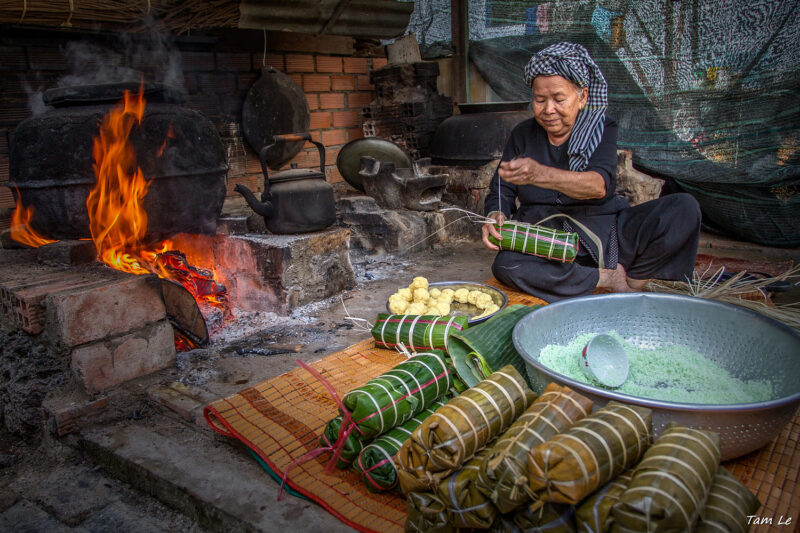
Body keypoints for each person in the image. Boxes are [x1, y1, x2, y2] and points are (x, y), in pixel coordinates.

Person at [481, 42, 701, 302]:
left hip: (605, 232)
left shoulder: (601, 128)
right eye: (540, 100)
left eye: (558, 99)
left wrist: (541, 175)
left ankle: (632, 281)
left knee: (684, 208)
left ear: (583, 96)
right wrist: (496, 213)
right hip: (544, 237)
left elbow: (599, 186)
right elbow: (501, 188)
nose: (548, 109)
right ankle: (606, 279)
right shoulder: (522, 135)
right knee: (507, 265)